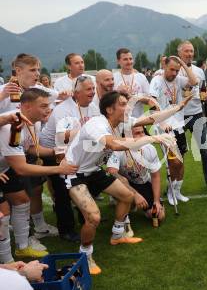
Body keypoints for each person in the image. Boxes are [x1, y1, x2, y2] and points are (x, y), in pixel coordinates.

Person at [64, 90, 188, 274]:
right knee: (94, 217)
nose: (128, 107)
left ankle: (117, 234)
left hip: (95, 170)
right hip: (76, 173)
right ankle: (85, 255)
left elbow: (151, 119)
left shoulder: (120, 122)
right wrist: (154, 138)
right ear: (109, 109)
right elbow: (113, 145)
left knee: (127, 196)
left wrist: (177, 107)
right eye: (123, 104)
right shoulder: (97, 124)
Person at [0, 89, 78, 263]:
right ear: (26, 106)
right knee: (3, 213)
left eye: (48, 105)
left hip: (4, 169)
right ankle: (7, 261)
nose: (48, 109)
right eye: (43, 106)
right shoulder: (13, 125)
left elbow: (30, 148)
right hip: (7, 168)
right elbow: (21, 168)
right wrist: (59, 169)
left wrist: (55, 151)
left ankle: (22, 248)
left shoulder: (33, 122)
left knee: (21, 200)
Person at [40, 76, 100, 242]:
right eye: (88, 89)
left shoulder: (93, 107)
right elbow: (62, 140)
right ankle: (66, 229)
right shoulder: (63, 110)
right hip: (54, 152)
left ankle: (86, 217)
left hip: (77, 151)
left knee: (85, 182)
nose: (93, 92)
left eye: (93, 88)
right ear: (77, 92)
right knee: (62, 190)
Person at [149, 56, 198, 205]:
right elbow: (152, 104)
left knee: (181, 160)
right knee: (174, 162)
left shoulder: (179, 80)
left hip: (179, 126)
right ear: (164, 65)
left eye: (177, 70)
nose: (175, 73)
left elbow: (194, 82)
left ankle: (177, 191)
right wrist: (162, 122)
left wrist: (183, 64)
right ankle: (170, 191)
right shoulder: (156, 81)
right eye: (172, 69)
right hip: (164, 128)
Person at [177, 41, 207, 193]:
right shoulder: (174, 70)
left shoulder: (199, 71)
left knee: (205, 151)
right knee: (177, 154)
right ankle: (175, 187)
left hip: (196, 114)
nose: (189, 54)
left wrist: (206, 95)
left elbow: (201, 91)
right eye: (186, 51)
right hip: (178, 117)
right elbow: (183, 92)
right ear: (180, 53)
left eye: (191, 51)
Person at [107, 125, 165, 224]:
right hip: (124, 185)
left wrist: (156, 202)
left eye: (143, 132)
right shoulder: (118, 149)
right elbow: (112, 172)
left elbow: (155, 176)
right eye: (137, 133)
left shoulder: (150, 148)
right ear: (127, 136)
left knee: (159, 216)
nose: (142, 136)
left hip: (141, 183)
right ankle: (123, 201)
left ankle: (134, 203)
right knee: (122, 185)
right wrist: (135, 194)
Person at [0, 54, 68, 114]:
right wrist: (2, 96)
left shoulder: (37, 88)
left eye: (38, 70)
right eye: (32, 70)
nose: (38, 74)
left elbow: (58, 95)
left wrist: (65, 94)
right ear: (18, 71)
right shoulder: (4, 90)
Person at [113, 48, 150, 118]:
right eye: (125, 59)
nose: (129, 61)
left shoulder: (141, 77)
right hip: (121, 122)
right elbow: (108, 101)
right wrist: (118, 93)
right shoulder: (113, 78)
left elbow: (150, 100)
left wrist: (136, 98)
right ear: (118, 61)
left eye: (130, 59)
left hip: (139, 121)